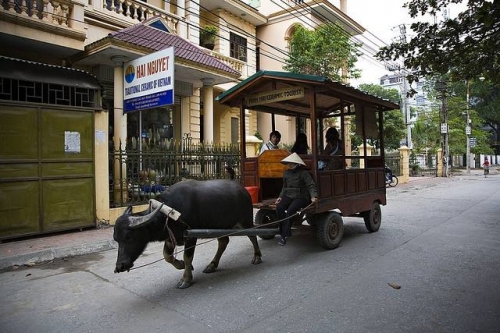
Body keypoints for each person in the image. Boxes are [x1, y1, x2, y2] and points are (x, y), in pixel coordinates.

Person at [275, 153, 318, 246]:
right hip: (289, 194)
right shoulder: (286, 173)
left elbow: (311, 185)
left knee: (290, 211)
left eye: (291, 163)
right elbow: (284, 187)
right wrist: (280, 197)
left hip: (301, 196)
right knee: (279, 207)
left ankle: (284, 236)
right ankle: (284, 230)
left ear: (297, 163)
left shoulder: (303, 173)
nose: (289, 164)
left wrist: (313, 196)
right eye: (288, 163)